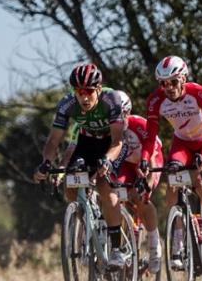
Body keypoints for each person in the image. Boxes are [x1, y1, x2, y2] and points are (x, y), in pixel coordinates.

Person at [35, 62, 132, 264]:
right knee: (70, 186)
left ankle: (116, 248)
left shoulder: (111, 99)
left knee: (105, 186)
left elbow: (118, 141)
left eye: (88, 91)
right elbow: (54, 140)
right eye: (79, 91)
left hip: (112, 144)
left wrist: (106, 161)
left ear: (97, 89)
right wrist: (45, 163)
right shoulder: (67, 104)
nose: (84, 96)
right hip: (87, 141)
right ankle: (88, 222)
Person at [144, 55, 202, 270]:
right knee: (172, 179)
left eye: (173, 82)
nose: (169, 88)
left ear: (183, 79)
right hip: (182, 142)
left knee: (200, 182)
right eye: (163, 84)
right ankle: (178, 239)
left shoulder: (199, 93)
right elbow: (150, 137)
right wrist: (145, 160)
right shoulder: (156, 100)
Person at [109, 89, 164, 269]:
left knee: (141, 197)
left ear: (128, 112)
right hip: (125, 164)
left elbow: (153, 156)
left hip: (147, 161)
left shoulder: (139, 124)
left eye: (122, 115)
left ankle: (154, 244)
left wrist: (147, 184)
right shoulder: (109, 128)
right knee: (114, 192)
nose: (119, 119)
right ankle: (122, 238)